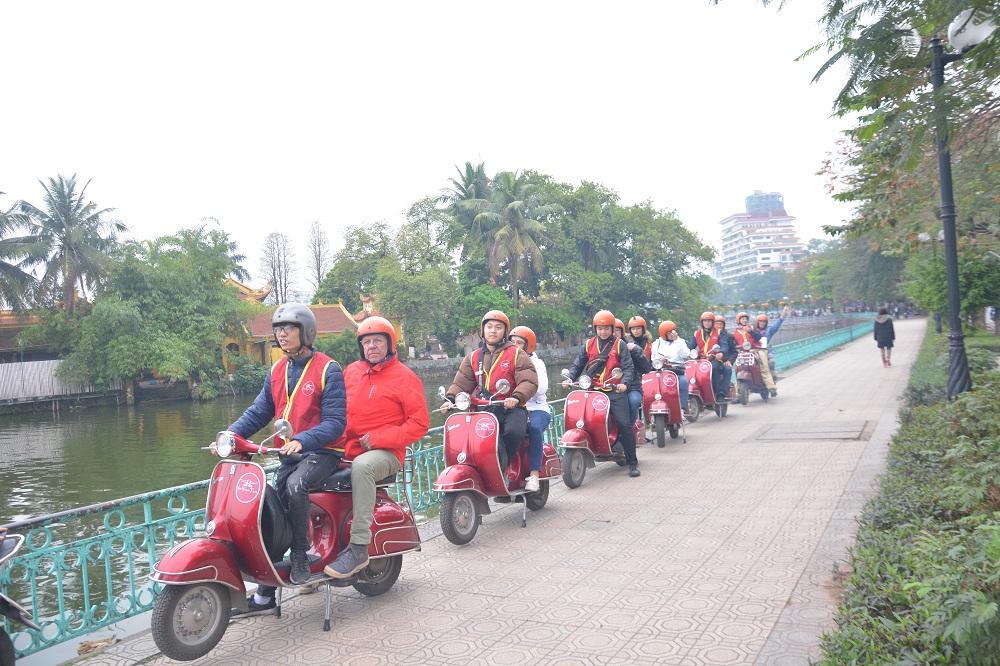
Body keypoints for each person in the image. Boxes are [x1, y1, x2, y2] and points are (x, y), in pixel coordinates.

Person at [227, 303, 347, 612]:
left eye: (289, 328)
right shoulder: (277, 370)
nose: (282, 334)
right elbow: (259, 411)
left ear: (305, 331)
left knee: (296, 487)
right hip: (290, 454)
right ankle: (265, 595)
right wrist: (230, 435)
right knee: (270, 511)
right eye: (278, 329)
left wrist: (302, 440)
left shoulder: (328, 369)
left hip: (323, 452)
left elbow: (336, 423)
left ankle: (299, 554)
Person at [324, 316, 429, 579]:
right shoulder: (351, 372)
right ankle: (312, 552)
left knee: (363, 467)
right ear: (361, 346)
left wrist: (380, 438)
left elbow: (420, 424)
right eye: (367, 341)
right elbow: (334, 411)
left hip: (386, 453)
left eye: (378, 341)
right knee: (305, 470)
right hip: (347, 449)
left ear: (390, 344)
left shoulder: (405, 377)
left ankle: (359, 547)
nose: (372, 346)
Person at [441, 310, 538, 475]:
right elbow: (462, 381)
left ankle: (505, 466)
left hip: (510, 407)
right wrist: (450, 399)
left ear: (505, 332)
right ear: (483, 330)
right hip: (484, 408)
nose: (493, 331)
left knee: (513, 431)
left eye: (498, 327)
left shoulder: (517, 354)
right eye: (489, 326)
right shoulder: (473, 357)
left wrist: (516, 397)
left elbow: (529, 380)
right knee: (468, 436)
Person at [563, 310, 640, 477]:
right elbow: (578, 364)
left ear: (612, 329)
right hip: (593, 390)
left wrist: (624, 384)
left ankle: (632, 462)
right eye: (599, 328)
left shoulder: (620, 345)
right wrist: (569, 377)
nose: (603, 332)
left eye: (606, 328)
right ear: (595, 329)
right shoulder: (588, 344)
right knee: (583, 419)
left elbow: (628, 367)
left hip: (614, 391)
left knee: (624, 424)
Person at [509, 326, 548, 493]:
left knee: (533, 428)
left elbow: (541, 388)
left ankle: (534, 474)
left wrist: (520, 391)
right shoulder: (506, 361)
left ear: (528, 346)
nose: (515, 346)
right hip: (514, 409)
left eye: (519, 343)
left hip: (536, 408)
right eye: (512, 342)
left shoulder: (536, 363)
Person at [688, 311, 732, 402]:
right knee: (689, 371)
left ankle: (719, 393)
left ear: (712, 322)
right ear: (702, 322)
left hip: (714, 359)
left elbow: (724, 345)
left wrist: (721, 352)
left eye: (709, 321)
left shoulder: (720, 332)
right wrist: (685, 353)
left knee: (716, 368)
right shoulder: (697, 333)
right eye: (705, 321)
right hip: (700, 361)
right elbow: (690, 346)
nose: (707, 323)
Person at [746, 305, 790, 397]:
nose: (762, 323)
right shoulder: (752, 330)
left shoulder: (768, 331)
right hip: (753, 351)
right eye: (760, 322)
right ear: (757, 322)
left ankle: (772, 385)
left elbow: (776, 325)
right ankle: (743, 389)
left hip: (765, 351)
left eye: (763, 322)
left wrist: (783, 316)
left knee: (770, 363)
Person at [620, 317, 652, 438]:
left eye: (638, 328)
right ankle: (635, 425)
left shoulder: (648, 343)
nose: (636, 331)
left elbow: (648, 361)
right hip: (633, 376)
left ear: (643, 329)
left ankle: (647, 421)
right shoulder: (627, 342)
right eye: (633, 329)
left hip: (643, 374)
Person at [650, 320, 690, 413]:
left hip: (677, 370)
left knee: (683, 382)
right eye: (670, 333)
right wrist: (660, 360)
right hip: (662, 371)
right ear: (664, 334)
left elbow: (686, 355)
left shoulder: (680, 341)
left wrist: (677, 342)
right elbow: (653, 358)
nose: (673, 334)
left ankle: (683, 408)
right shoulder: (656, 344)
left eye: (674, 331)